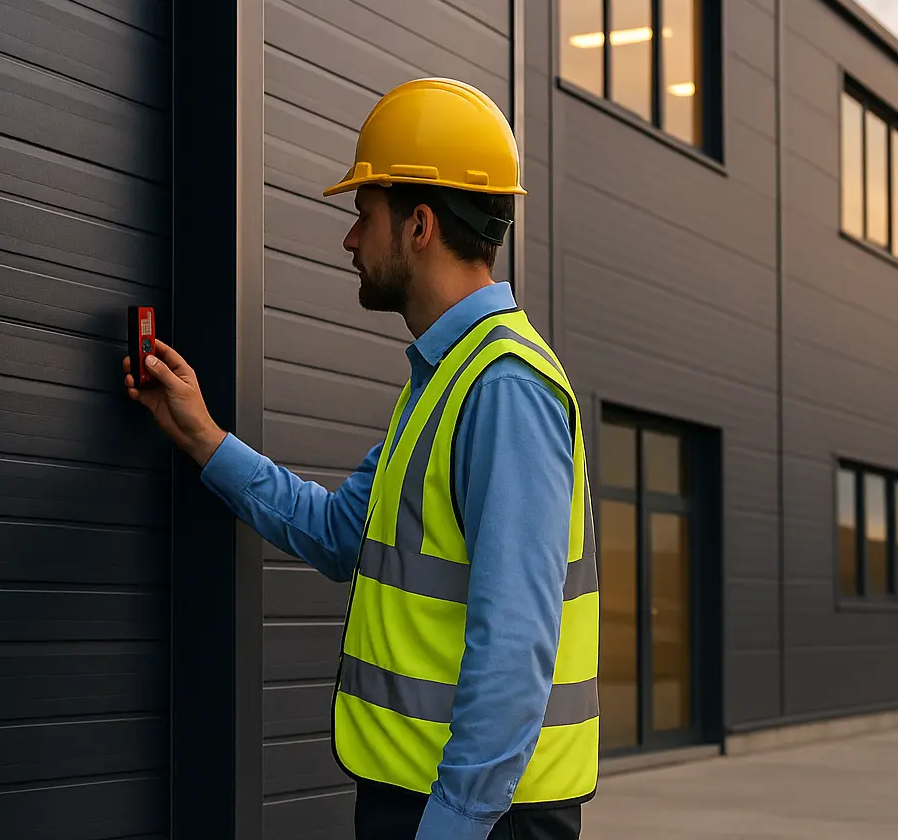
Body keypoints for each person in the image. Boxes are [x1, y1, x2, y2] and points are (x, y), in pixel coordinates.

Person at [124, 78, 597, 840]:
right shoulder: (447, 378)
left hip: (477, 817)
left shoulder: (504, 387)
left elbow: (516, 642)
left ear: (418, 225)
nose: (349, 240)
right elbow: (343, 531)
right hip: (429, 800)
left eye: (361, 214)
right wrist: (205, 437)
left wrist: (454, 825)